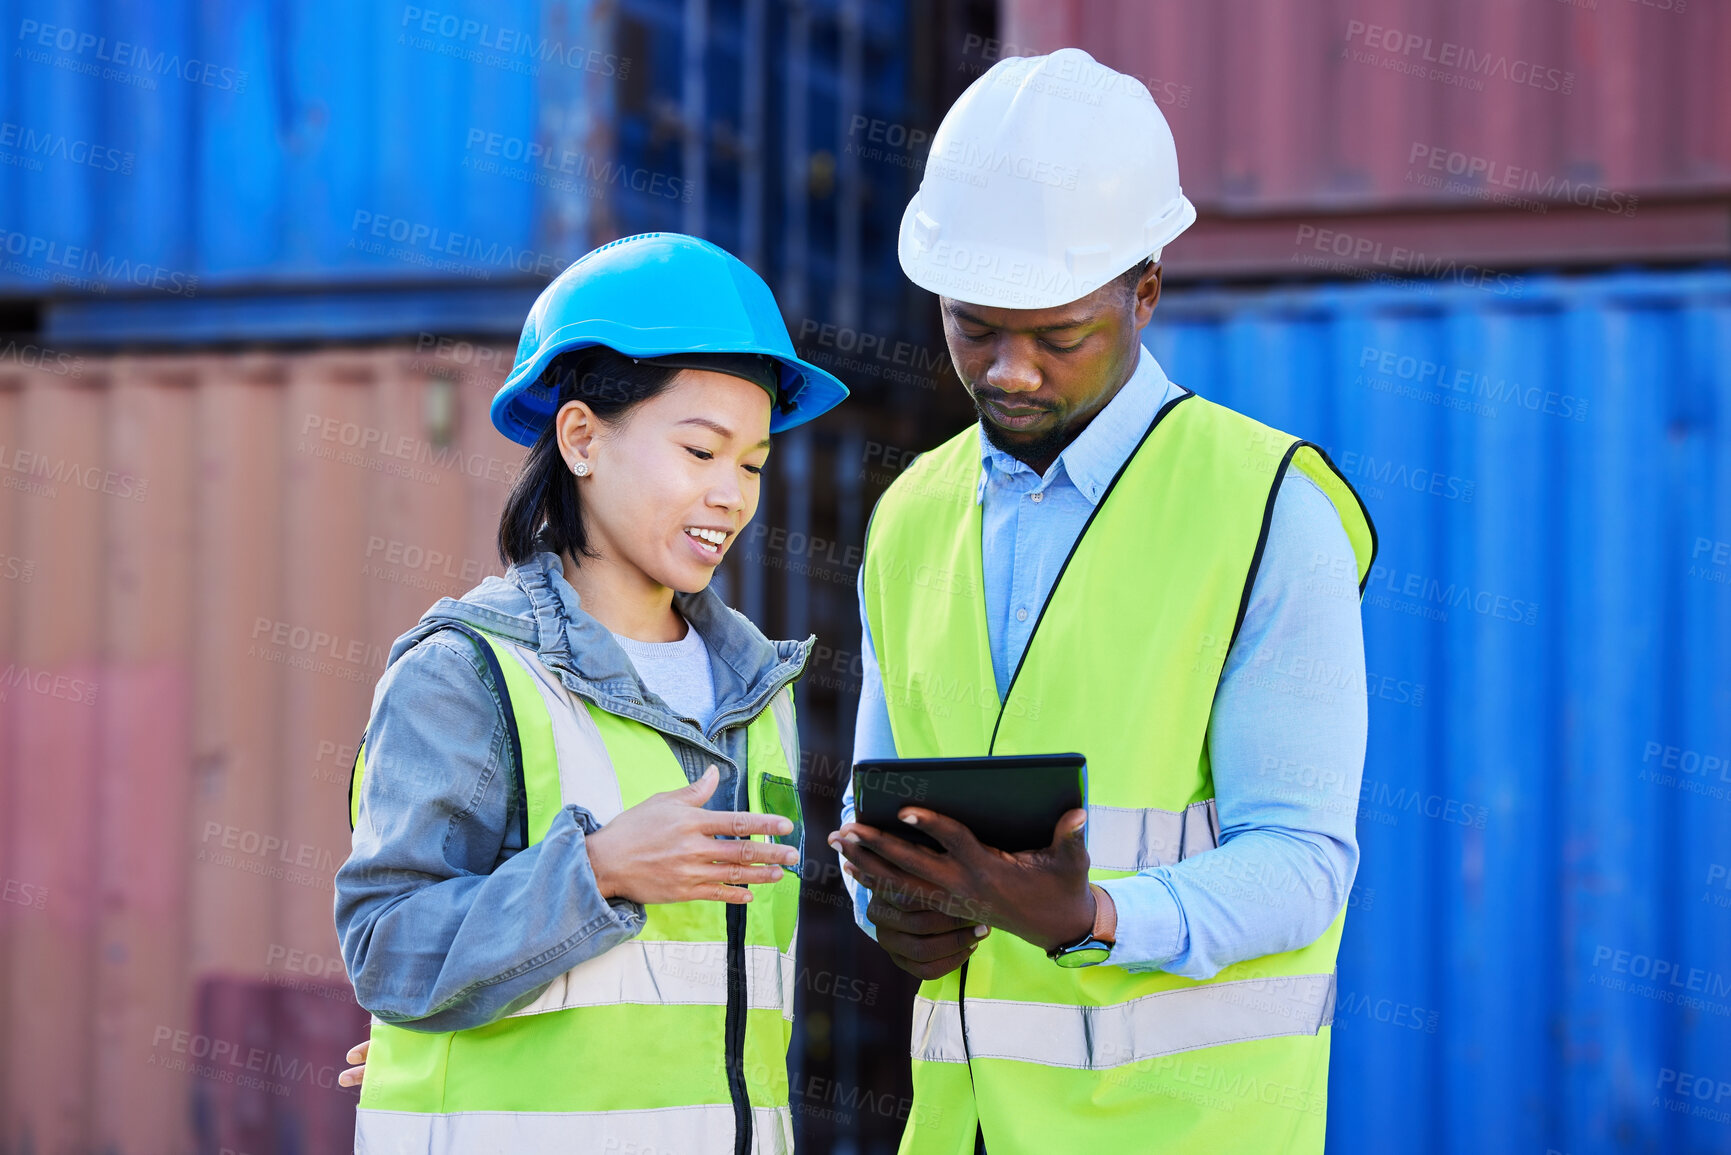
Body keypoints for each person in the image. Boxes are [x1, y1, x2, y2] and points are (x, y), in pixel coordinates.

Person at [828, 48, 1378, 1153]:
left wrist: (1095, 919)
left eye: (1058, 335)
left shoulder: (1268, 509)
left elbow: (1304, 858)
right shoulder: (909, 515)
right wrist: (890, 907)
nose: (1010, 371)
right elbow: (874, 803)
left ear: (1145, 293)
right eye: (974, 327)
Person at [333, 231, 848, 1154]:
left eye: (752, 463)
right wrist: (598, 870)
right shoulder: (468, 672)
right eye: (700, 450)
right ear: (580, 438)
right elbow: (388, 949)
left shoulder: (756, 690)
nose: (731, 495)